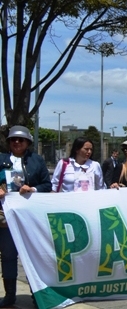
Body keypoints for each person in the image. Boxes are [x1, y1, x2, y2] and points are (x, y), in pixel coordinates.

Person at [0, 125, 51, 307]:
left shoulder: (37, 161)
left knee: (34, 255)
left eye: (20, 140)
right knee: (8, 256)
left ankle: (37, 295)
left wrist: (33, 189)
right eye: (13, 139)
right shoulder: (1, 159)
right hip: (6, 217)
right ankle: (10, 295)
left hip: (30, 217)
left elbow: (47, 184)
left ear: (28, 142)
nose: (16, 142)